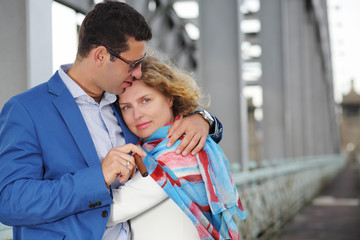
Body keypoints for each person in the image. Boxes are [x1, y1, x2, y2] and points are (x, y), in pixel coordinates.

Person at [0, 2, 222, 239]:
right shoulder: (26, 109)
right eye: (133, 64)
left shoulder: (124, 104)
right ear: (101, 55)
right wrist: (98, 178)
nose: (138, 73)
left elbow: (170, 129)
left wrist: (204, 120)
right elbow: (10, 201)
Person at [108, 56, 247, 240]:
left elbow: (113, 211)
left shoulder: (179, 151)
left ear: (169, 98)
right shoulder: (149, 147)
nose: (137, 115)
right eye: (126, 107)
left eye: (145, 100)